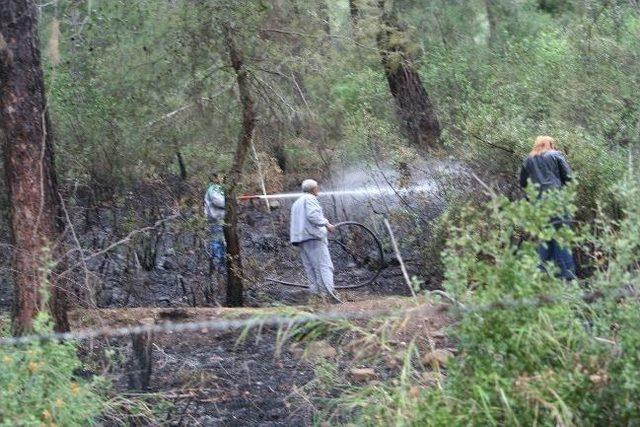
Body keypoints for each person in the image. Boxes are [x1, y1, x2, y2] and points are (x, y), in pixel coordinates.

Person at [520, 135, 576, 280]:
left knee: (544, 239)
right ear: (550, 145)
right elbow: (570, 178)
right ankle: (567, 277)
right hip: (557, 202)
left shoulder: (528, 159)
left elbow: (523, 183)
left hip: (537, 205)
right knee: (561, 237)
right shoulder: (556, 155)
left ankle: (542, 275)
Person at [290, 179, 336, 299]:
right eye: (317, 187)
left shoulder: (297, 203)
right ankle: (328, 295)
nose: (318, 189)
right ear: (313, 189)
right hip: (313, 238)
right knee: (324, 266)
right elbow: (313, 216)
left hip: (301, 240)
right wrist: (327, 224)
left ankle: (316, 296)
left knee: (311, 268)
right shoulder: (310, 199)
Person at [204, 173, 226, 272]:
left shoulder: (219, 188)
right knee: (217, 241)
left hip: (221, 219)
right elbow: (219, 201)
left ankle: (222, 264)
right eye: (220, 176)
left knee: (222, 241)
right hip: (215, 219)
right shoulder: (213, 189)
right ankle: (217, 265)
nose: (222, 178)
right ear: (215, 178)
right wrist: (230, 201)